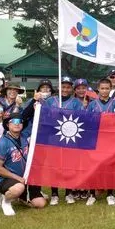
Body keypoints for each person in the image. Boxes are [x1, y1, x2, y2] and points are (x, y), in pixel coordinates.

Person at [0, 112, 46, 216]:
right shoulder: (3, 143)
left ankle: (22, 198)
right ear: (8, 125)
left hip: (26, 178)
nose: (17, 124)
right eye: (14, 122)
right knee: (18, 188)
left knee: (41, 203)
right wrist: (17, 178)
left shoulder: (25, 138)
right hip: (7, 179)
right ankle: (6, 202)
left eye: (20, 122)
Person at [45, 76, 83, 205]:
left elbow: (81, 118)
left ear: (71, 88)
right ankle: (54, 193)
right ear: (58, 87)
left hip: (70, 137)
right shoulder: (50, 101)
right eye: (63, 86)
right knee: (54, 165)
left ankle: (68, 193)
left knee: (69, 165)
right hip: (54, 136)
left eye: (68, 87)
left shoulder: (76, 102)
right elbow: (44, 117)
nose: (65, 89)